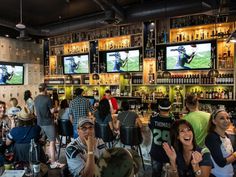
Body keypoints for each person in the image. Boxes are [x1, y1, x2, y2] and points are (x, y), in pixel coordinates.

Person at [34, 83, 64, 168]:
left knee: (42, 142)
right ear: (45, 89)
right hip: (48, 123)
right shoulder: (47, 99)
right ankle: (53, 162)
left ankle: (43, 159)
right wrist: (57, 108)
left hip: (39, 123)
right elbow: (51, 111)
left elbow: (35, 113)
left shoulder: (35, 99)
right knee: (52, 142)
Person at [205, 109, 236, 177]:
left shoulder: (226, 135)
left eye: (228, 118)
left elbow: (231, 155)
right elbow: (221, 163)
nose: (226, 120)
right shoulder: (212, 138)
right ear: (214, 121)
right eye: (222, 118)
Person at [148, 99, 175, 177]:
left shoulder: (153, 118)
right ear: (170, 109)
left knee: (156, 174)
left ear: (159, 108)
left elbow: (150, 127)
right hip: (169, 152)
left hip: (155, 151)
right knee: (169, 174)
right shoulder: (173, 121)